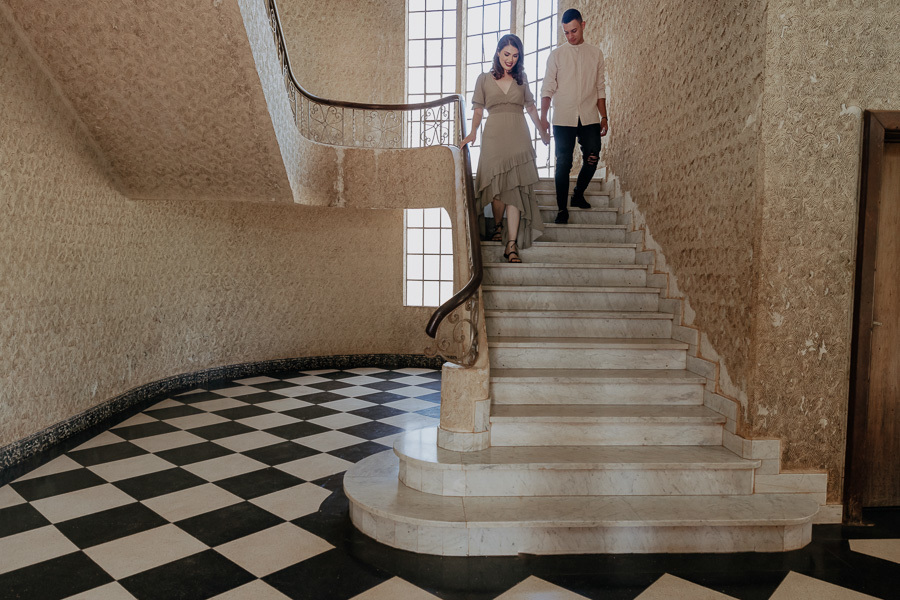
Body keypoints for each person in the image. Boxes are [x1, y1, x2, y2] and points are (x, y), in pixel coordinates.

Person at [461, 34, 550, 264]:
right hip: (493, 138)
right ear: (498, 52)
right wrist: (472, 133)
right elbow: (478, 109)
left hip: (519, 137)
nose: (510, 59)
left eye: (515, 55)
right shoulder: (483, 79)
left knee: (515, 190)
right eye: (506, 54)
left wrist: (541, 131)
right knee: (497, 187)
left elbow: (530, 108)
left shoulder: (522, 79)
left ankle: (511, 245)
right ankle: (497, 226)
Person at [539, 8, 608, 225]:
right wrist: (543, 118)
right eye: (566, 32)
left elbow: (600, 88)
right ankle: (562, 210)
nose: (570, 36)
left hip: (589, 116)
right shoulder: (556, 56)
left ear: (583, 25)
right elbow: (547, 89)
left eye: (574, 30)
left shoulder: (596, 54)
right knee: (563, 163)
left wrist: (604, 117)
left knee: (593, 156)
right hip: (563, 119)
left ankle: (578, 193)